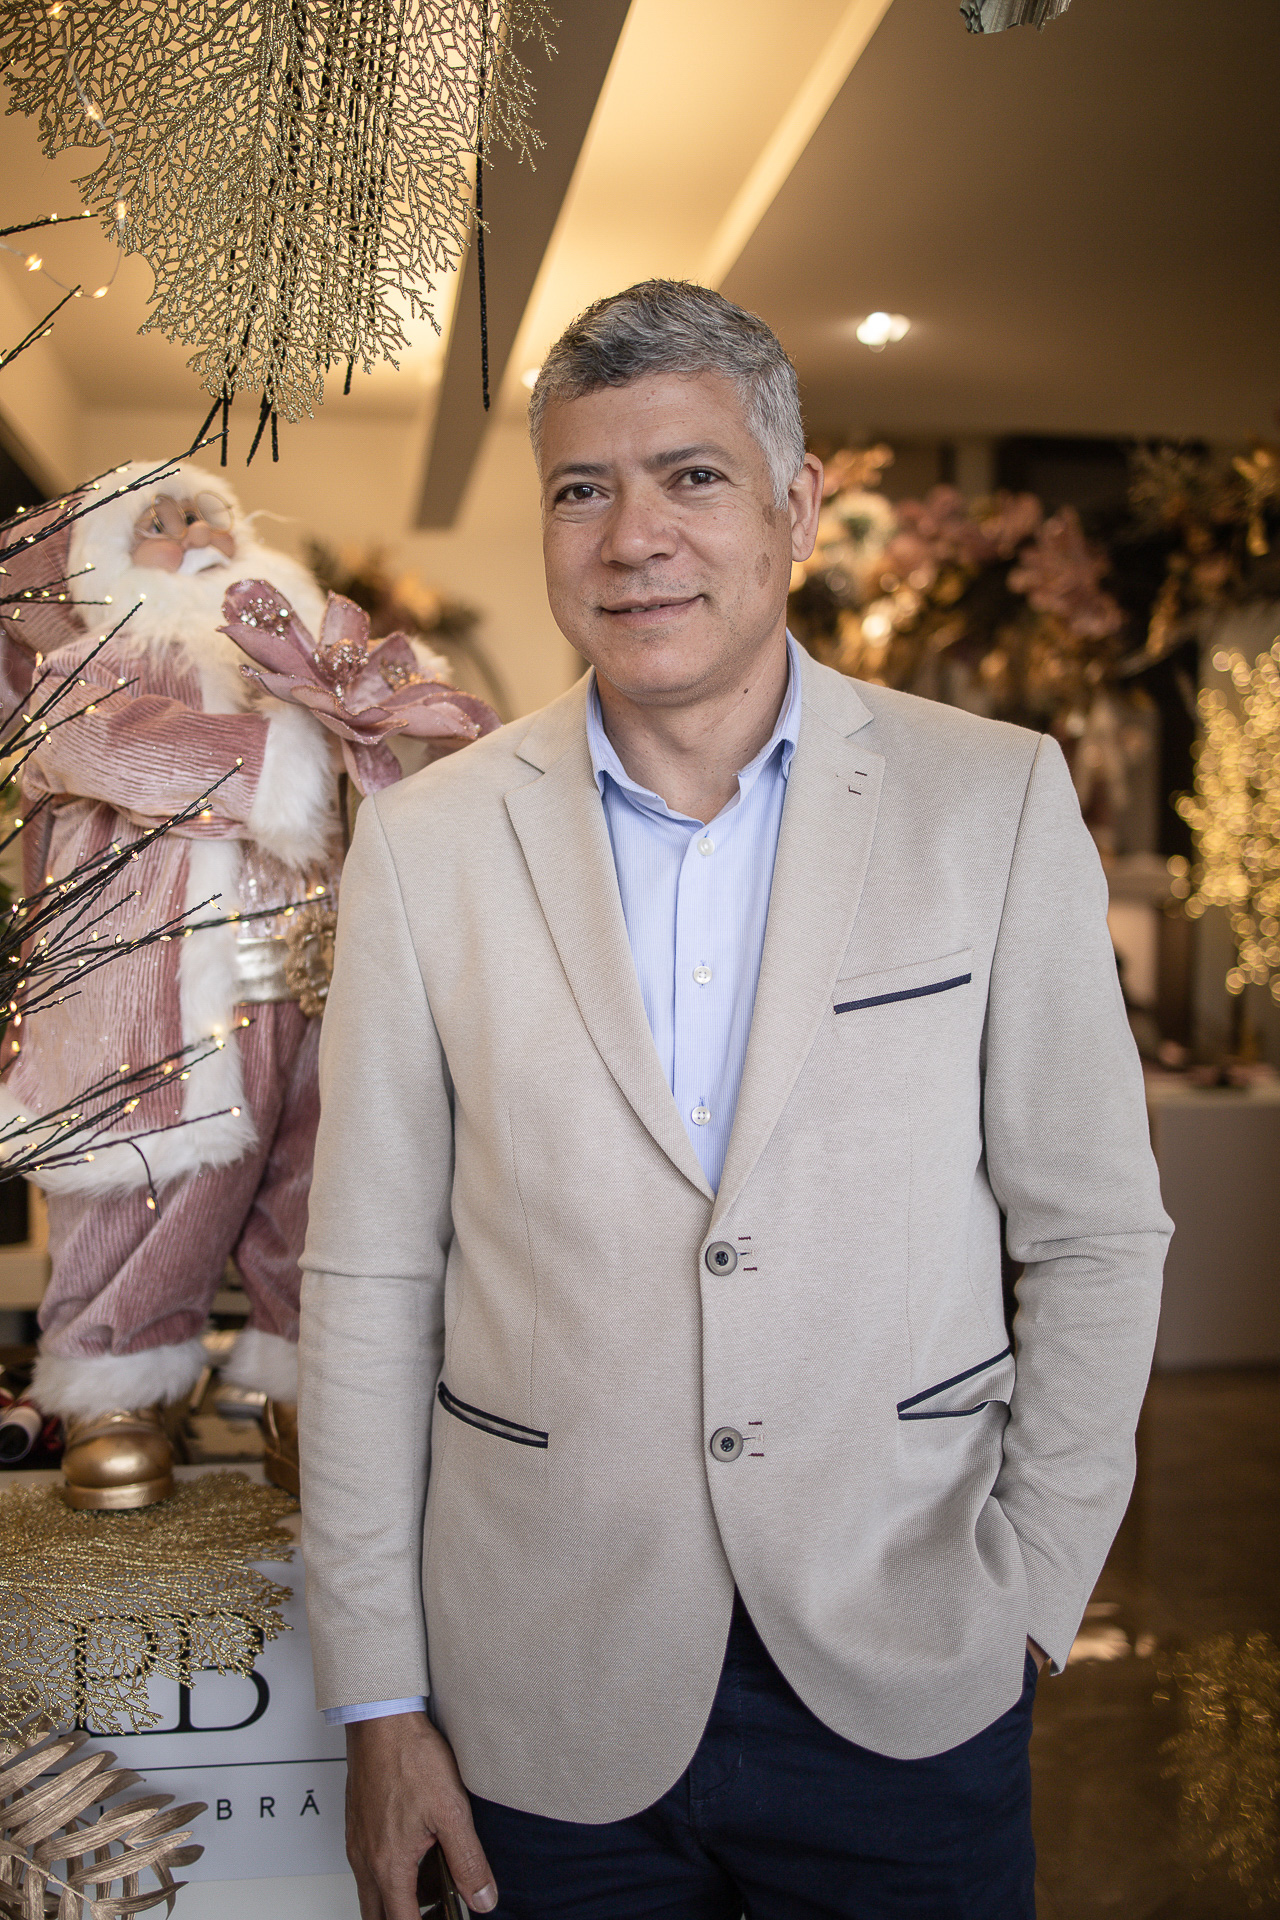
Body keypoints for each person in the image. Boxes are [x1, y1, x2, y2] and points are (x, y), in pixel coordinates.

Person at [299, 281, 1171, 1919]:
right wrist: (378, 1698)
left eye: (691, 476)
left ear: (796, 507)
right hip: (540, 1691)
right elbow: (366, 1282)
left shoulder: (992, 800)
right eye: (582, 488)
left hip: (906, 1666)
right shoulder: (425, 847)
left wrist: (1037, 1589)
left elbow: (1098, 1231)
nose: (635, 537)